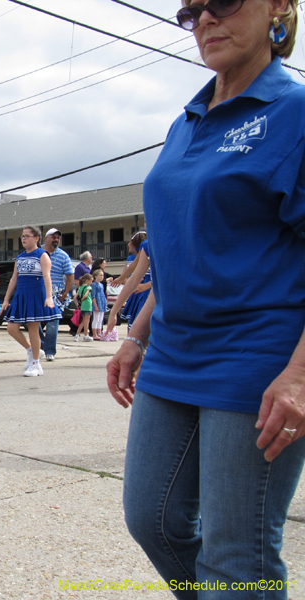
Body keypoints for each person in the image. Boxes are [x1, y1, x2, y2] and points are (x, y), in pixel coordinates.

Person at [107, 1, 305, 595]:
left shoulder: (294, 114)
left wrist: (299, 376)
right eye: (192, 10)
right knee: (153, 520)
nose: (205, 20)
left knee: (234, 554)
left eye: (223, 2)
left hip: (257, 357)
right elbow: (172, 249)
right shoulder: (188, 120)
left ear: (277, 8)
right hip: (172, 352)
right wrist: (137, 334)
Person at [0, 226, 59, 376]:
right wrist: (6, 299)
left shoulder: (42, 255)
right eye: (22, 236)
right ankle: (31, 350)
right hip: (21, 294)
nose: (24, 239)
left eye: (27, 236)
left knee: (33, 329)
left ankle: (36, 364)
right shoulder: (19, 257)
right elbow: (14, 279)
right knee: (11, 328)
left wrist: (49, 296)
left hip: (35, 294)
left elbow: (47, 277)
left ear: (36, 238)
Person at [38, 228, 74, 361]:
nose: (56, 240)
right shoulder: (38, 252)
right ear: (46, 238)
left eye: (58, 237)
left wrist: (65, 293)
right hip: (39, 290)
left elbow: (70, 276)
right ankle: (40, 347)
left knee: (53, 322)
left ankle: (49, 351)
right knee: (34, 321)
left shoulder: (63, 256)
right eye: (53, 237)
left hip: (56, 293)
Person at [105, 232, 150, 335]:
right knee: (136, 331)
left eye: (130, 242)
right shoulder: (146, 247)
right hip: (137, 292)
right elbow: (131, 276)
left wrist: (147, 285)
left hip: (151, 294)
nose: (128, 244)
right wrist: (122, 279)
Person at [74, 273, 94, 342]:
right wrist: (82, 299)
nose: (91, 283)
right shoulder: (88, 287)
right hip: (88, 305)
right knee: (87, 321)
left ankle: (77, 335)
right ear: (87, 280)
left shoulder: (80, 288)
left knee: (83, 321)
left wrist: (77, 303)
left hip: (82, 306)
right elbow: (85, 296)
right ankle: (86, 335)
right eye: (91, 281)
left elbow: (75, 297)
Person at [90, 269, 107, 340]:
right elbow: (93, 296)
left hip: (102, 302)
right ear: (95, 276)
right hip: (97, 302)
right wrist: (96, 305)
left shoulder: (102, 285)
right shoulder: (94, 284)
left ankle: (100, 333)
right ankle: (94, 334)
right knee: (96, 319)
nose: (102, 277)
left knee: (100, 319)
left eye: (102, 275)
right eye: (100, 275)